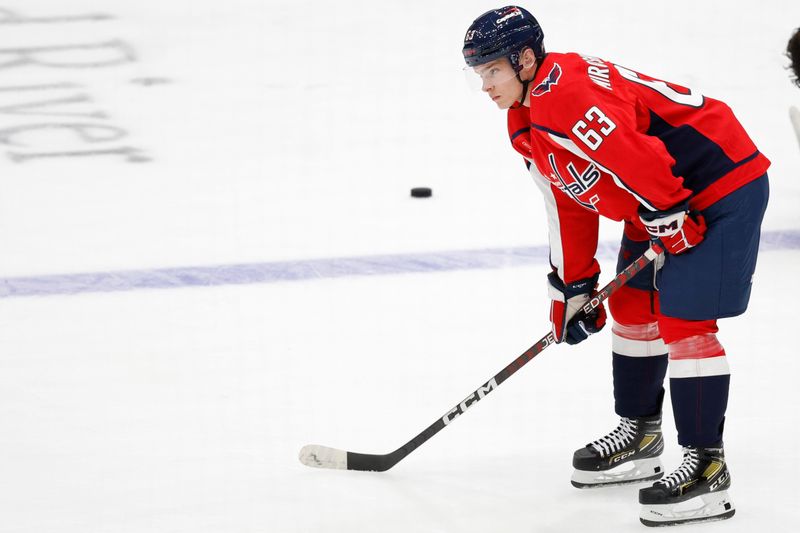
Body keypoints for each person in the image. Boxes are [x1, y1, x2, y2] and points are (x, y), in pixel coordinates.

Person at [462, 6, 770, 527]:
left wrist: (671, 212)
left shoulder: (567, 93)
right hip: (657, 197)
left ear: (525, 59)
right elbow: (567, 202)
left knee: (685, 325)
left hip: (717, 184)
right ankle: (642, 434)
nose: (485, 86)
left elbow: (638, 155)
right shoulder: (526, 119)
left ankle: (708, 468)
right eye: (479, 74)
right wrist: (573, 286)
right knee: (631, 307)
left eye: (492, 70)